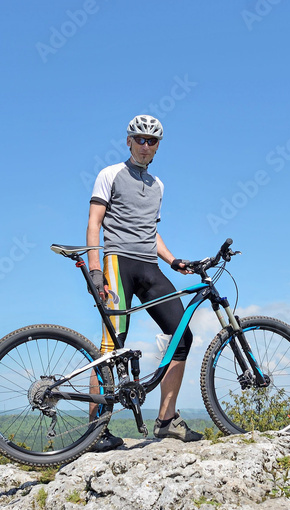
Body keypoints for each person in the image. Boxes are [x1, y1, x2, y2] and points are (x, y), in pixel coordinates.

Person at [86, 114, 201, 450]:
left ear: (158, 147)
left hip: (149, 266)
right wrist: (96, 270)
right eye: (140, 139)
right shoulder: (109, 174)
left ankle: (166, 421)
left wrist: (173, 261)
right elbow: (95, 223)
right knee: (112, 345)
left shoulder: (158, 186)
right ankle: (97, 430)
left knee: (182, 335)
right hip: (117, 262)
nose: (145, 145)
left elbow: (151, 231)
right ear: (129, 141)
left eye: (152, 141)